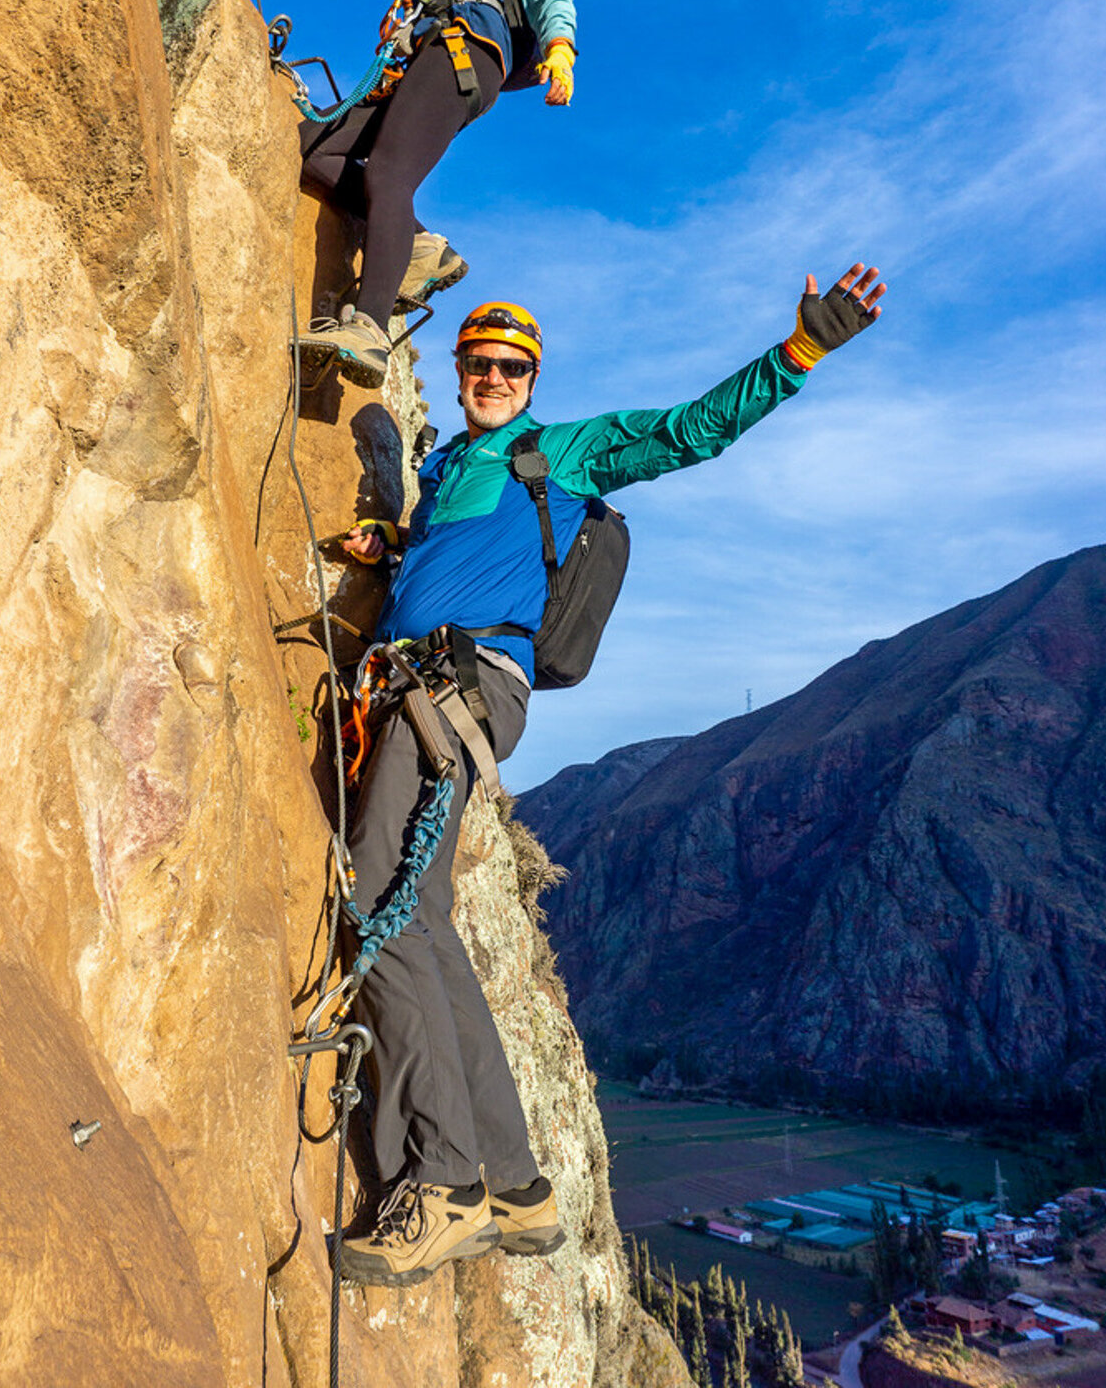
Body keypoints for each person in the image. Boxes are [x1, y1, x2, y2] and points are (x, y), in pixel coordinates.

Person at [331, 262, 887, 1286]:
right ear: (458, 371)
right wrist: (388, 551)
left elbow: (688, 432)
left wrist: (800, 352)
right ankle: (515, 1187)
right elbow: (442, 562)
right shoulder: (450, 466)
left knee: (378, 907)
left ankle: (442, 1181)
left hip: (453, 692)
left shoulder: (561, 451)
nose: (492, 377)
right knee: (426, 924)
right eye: (479, 363)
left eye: (511, 367)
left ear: (532, 380)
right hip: (432, 686)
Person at [209, 0, 577, 387]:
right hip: (422, 50)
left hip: (469, 47)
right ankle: (420, 246)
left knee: (387, 170)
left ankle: (370, 328)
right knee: (310, 145)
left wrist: (560, 45)